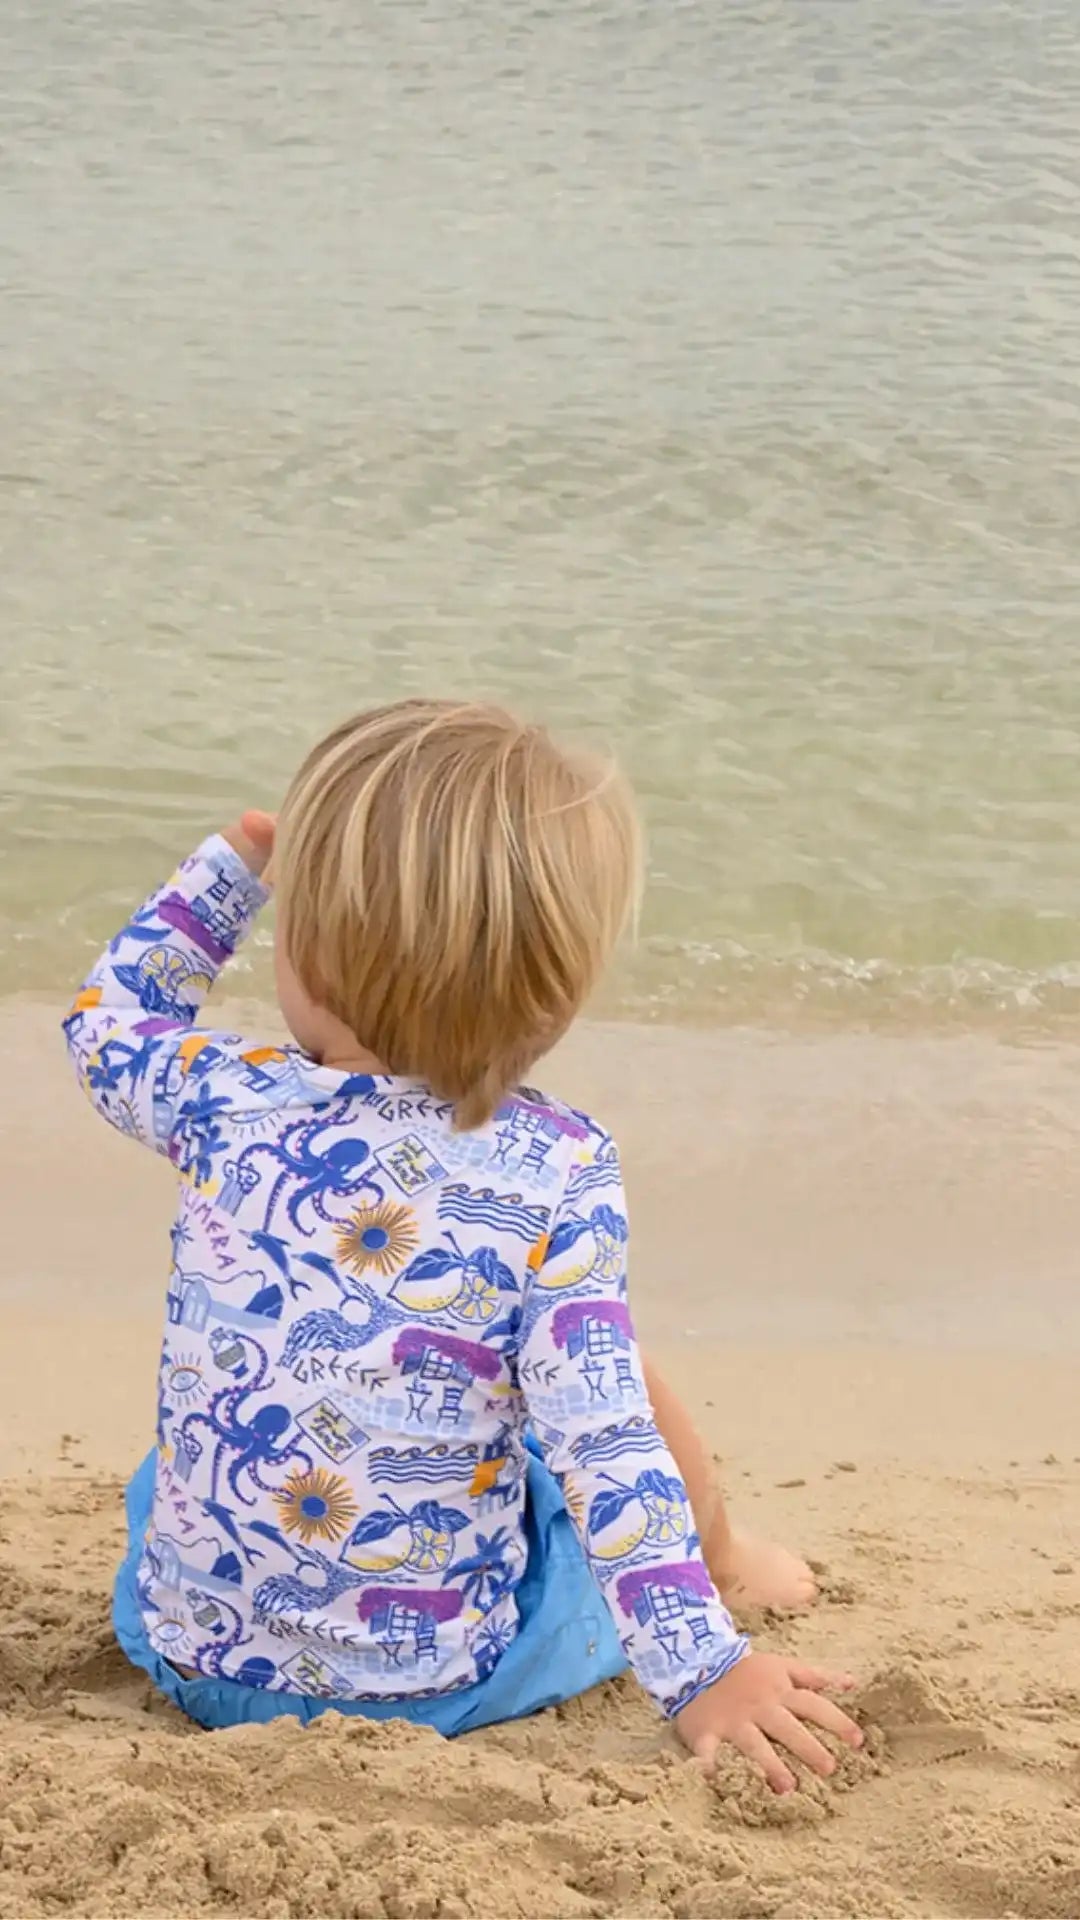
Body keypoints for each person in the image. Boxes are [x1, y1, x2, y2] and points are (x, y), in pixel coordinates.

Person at [62, 699, 861, 1794]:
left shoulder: (221, 1098)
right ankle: (725, 1563)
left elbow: (111, 1017)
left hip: (195, 1666)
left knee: (178, 1474)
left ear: (308, 954)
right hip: (441, 1690)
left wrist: (231, 870)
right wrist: (704, 1675)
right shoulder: (557, 1172)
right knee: (600, 1386)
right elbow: (610, 1458)